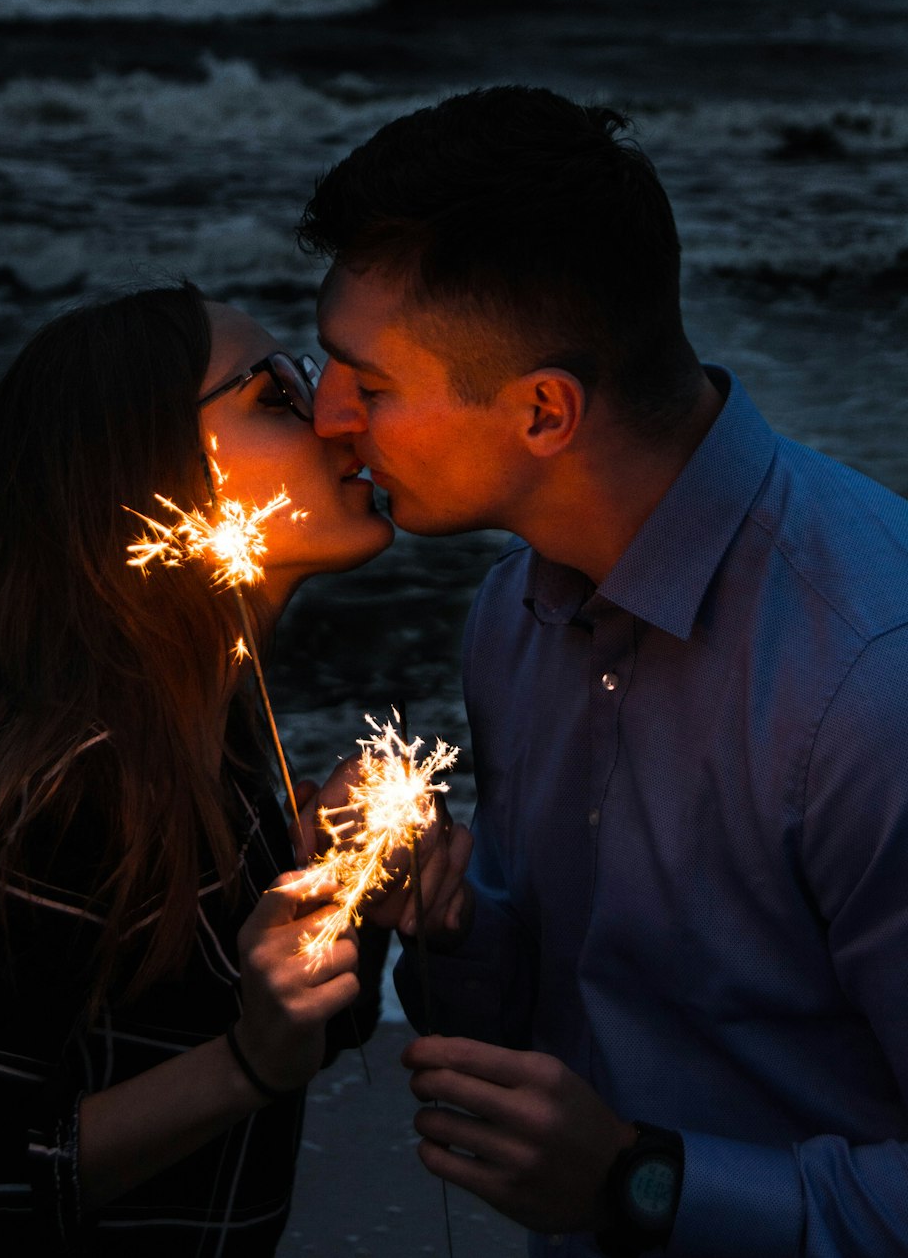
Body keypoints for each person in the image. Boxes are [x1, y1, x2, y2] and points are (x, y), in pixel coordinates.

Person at [295, 86, 908, 1258]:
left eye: (367, 386)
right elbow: (556, 1010)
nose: (327, 418)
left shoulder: (865, 683)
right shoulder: (515, 609)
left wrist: (640, 1181)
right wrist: (453, 920)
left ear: (542, 413)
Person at [0, 282, 466, 1254]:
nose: (337, 414)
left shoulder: (216, 728)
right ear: (144, 472)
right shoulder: (77, 776)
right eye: (275, 393)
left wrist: (346, 891)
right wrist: (248, 1062)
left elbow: (278, 1032)